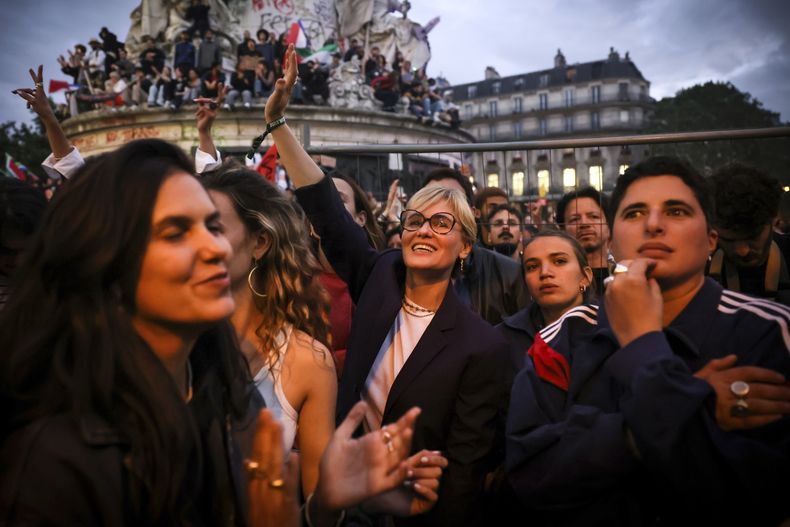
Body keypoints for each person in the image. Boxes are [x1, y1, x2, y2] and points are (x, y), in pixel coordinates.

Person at [266, 45, 512, 527]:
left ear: (466, 247)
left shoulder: (482, 348)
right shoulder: (379, 275)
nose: (423, 230)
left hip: (411, 511)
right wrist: (278, 124)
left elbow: (464, 473)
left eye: (442, 224)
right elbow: (326, 210)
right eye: (416, 219)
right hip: (337, 496)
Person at [506, 156, 790, 526]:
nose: (654, 225)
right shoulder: (563, 336)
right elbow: (531, 473)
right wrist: (686, 407)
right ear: (612, 241)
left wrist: (642, 347)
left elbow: (762, 490)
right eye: (635, 213)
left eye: (676, 211)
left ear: (711, 239)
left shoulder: (769, 331)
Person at [200, 164, 337, 497]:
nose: (200, 245)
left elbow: (318, 505)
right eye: (187, 229)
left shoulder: (308, 361)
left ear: (260, 242)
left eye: (213, 228)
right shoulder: (174, 341)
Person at [422, 169, 528, 325]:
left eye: (453, 199)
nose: (440, 208)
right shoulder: (398, 270)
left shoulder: (509, 274)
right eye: (430, 199)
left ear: (471, 213)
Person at [497, 230, 596, 371]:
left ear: (585, 277)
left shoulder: (610, 329)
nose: (545, 272)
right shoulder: (504, 339)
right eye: (532, 267)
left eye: (559, 261)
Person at [708, 162, 790, 305]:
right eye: (729, 240)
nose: (742, 251)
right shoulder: (700, 266)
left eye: (752, 237)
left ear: (773, 219)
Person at [556, 186, 611, 297]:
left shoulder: (624, 273)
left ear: (609, 224)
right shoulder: (556, 278)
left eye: (594, 216)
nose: (584, 224)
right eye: (575, 219)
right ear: (562, 229)